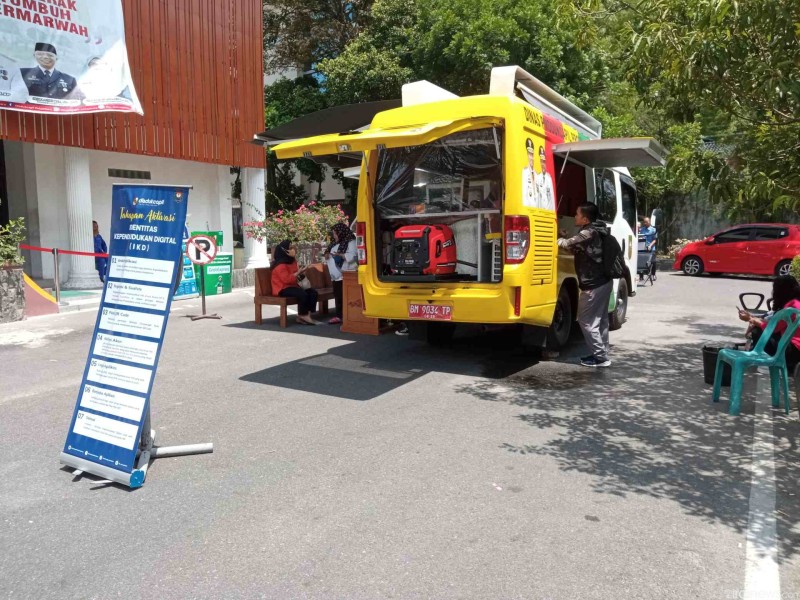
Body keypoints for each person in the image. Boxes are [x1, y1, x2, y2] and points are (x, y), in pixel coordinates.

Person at [557, 203, 613, 367]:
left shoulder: (589, 232)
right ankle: (602, 353)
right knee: (601, 320)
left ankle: (601, 358)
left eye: (577, 214)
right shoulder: (597, 230)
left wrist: (559, 237)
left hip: (593, 284)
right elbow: (579, 249)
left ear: (585, 218)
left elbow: (566, 245)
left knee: (586, 321)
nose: (575, 216)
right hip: (603, 281)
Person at [738, 275, 800, 372]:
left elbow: (773, 328)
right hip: (793, 348)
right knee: (759, 327)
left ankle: (755, 355)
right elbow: (775, 324)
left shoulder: (792, 306)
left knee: (757, 331)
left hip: (792, 350)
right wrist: (754, 319)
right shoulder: (796, 302)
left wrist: (751, 319)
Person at [271, 240, 319, 325]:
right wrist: (297, 273)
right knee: (302, 294)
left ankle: (305, 314)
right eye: (290, 248)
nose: (292, 249)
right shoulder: (279, 264)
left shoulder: (292, 260)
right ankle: (303, 315)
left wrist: (302, 271)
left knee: (312, 292)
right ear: (284, 250)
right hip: (282, 288)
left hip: (293, 285)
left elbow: (296, 274)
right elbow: (286, 280)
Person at [324, 222, 357, 325]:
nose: (334, 236)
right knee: (338, 294)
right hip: (335, 274)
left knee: (345, 296)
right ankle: (339, 316)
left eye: (335, 233)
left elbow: (352, 257)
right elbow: (327, 253)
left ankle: (347, 315)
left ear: (341, 232)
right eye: (333, 233)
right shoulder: (334, 243)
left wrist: (340, 255)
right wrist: (326, 255)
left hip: (347, 273)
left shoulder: (351, 242)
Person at [535, 144, 555, 211]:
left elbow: (552, 197)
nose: (543, 164)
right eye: (541, 161)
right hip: (540, 212)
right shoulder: (537, 177)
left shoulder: (549, 178)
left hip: (549, 212)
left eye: (544, 162)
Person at [521, 138, 537, 208]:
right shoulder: (524, 172)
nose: (531, 158)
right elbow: (524, 195)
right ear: (527, 155)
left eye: (532, 154)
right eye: (529, 154)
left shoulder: (536, 174)